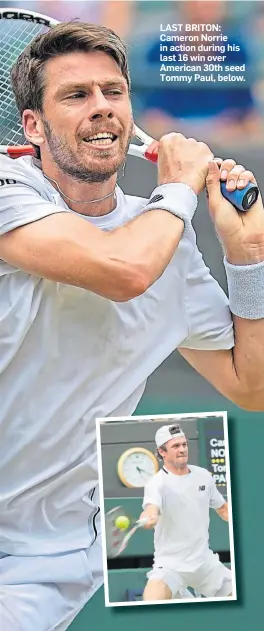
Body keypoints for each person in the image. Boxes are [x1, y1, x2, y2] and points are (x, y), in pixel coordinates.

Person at [0, 21, 264, 631]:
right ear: (32, 127)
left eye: (113, 92)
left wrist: (246, 254)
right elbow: (122, 270)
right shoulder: (10, 187)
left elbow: (250, 385)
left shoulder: (164, 238)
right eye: (75, 95)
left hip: (54, 559)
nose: (101, 109)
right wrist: (177, 187)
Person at [141, 424, 231, 601]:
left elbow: (223, 509)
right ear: (162, 452)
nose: (182, 449)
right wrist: (149, 516)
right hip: (170, 565)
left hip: (205, 562)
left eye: (184, 444)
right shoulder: (156, 483)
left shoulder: (204, 476)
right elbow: (151, 507)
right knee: (152, 599)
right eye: (175, 446)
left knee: (247, 598)